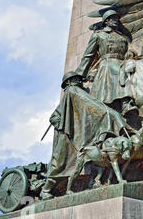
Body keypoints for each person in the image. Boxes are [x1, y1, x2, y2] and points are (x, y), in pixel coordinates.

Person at [40, 71, 129, 200]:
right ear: (69, 83)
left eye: (79, 79)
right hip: (66, 136)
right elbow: (92, 106)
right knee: (59, 163)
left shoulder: (74, 93)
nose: (79, 82)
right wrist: (109, 113)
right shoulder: (72, 91)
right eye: (76, 79)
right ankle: (45, 190)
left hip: (75, 135)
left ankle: (60, 187)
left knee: (65, 163)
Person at [75, 9, 137, 116]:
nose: (116, 21)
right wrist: (79, 74)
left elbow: (129, 49)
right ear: (106, 21)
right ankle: (125, 103)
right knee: (118, 70)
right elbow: (88, 55)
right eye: (113, 19)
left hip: (122, 61)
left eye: (117, 19)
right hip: (108, 64)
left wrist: (130, 53)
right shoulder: (99, 35)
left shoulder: (122, 36)